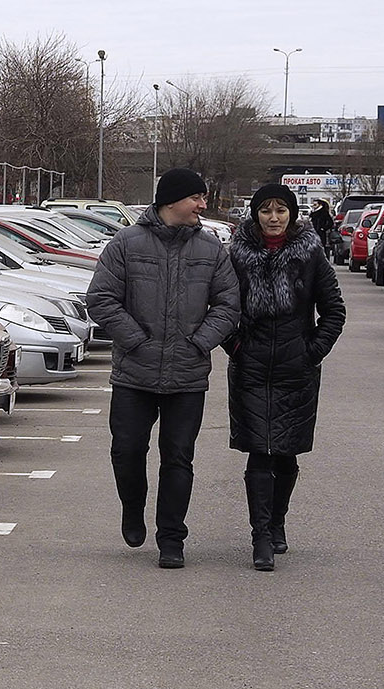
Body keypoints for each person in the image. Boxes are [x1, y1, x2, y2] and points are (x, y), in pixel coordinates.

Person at [85, 168, 241, 569]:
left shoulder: (210, 249)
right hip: (134, 374)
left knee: (178, 458)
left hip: (187, 376)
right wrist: (135, 339)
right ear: (172, 200)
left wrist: (199, 341)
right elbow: (101, 298)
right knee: (127, 451)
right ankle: (133, 508)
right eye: (197, 198)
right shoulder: (126, 243)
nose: (203, 205)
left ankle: (172, 538)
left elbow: (228, 305)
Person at [225, 184, 345, 571]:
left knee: (287, 453)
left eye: (281, 211)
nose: (273, 218)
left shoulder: (310, 253)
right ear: (255, 214)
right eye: (265, 211)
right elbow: (222, 308)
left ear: (292, 215)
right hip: (252, 367)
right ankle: (260, 536)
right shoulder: (237, 254)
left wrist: (310, 352)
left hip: (297, 370)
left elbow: (334, 312)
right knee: (259, 452)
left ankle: (277, 523)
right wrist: (237, 347)